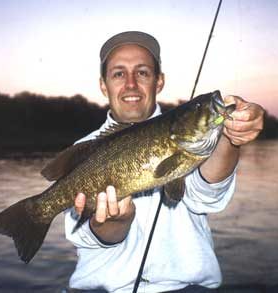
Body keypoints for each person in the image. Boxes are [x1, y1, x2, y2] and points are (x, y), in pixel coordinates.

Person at [64, 31, 264, 293]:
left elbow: (206, 197)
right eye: (119, 74)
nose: (131, 84)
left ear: (159, 82)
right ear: (104, 85)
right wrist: (114, 224)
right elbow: (83, 235)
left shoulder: (190, 137)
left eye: (143, 72)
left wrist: (231, 137)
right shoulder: (83, 150)